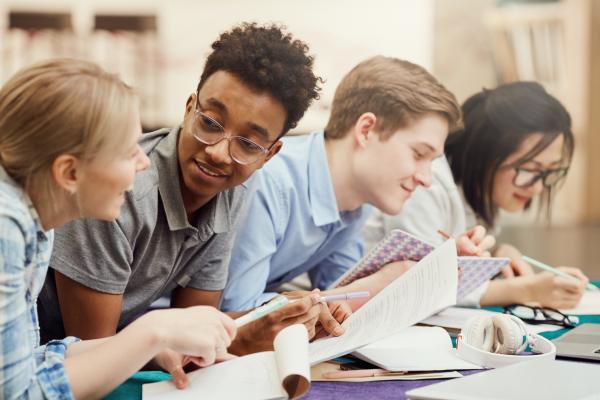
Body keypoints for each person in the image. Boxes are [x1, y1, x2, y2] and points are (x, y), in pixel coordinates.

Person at [38, 23, 328, 361]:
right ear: (189, 108)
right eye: (210, 123)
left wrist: (273, 321)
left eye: (248, 144)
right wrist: (243, 337)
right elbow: (94, 356)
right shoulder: (118, 191)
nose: (219, 153)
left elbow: (196, 329)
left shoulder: (236, 188)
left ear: (269, 154)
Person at [0, 59, 237, 399]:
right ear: (69, 173)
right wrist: (151, 331)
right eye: (129, 152)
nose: (144, 162)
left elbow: (22, 365)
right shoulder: (6, 227)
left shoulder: (36, 222)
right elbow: (17, 394)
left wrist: (148, 346)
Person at [221, 56, 463, 315]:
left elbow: (337, 303)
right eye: (418, 154)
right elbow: (238, 314)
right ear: (366, 130)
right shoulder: (270, 182)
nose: (426, 178)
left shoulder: (356, 203)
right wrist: (377, 286)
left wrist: (427, 267)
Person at [364, 81, 589, 309]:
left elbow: (457, 264)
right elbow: (424, 284)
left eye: (549, 172)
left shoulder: (481, 190)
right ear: (485, 155)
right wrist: (529, 289)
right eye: (530, 169)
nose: (538, 188)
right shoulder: (426, 184)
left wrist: (498, 253)